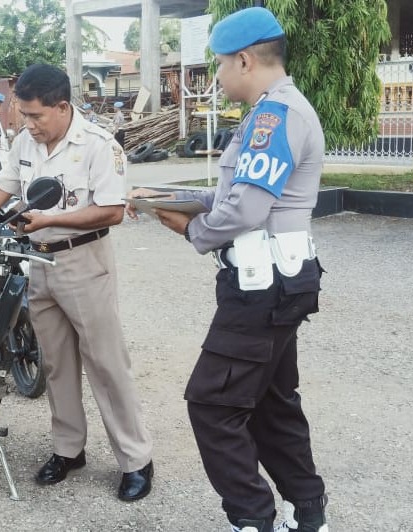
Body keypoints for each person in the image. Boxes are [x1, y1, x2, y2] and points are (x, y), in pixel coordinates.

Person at [127, 7, 329, 532]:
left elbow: (244, 211)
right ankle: (307, 513)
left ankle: (253, 519)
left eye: (218, 66)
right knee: (271, 403)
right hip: (281, 280)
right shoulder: (280, 109)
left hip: (261, 287)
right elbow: (232, 193)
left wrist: (191, 230)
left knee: (213, 405)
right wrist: (163, 196)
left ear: (244, 60)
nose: (215, 78)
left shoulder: (272, 116)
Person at [0, 64, 154, 502]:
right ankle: (68, 449)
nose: (28, 123)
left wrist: (52, 218)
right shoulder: (26, 142)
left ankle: (135, 460)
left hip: (84, 261)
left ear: (62, 107)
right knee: (56, 362)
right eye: (23, 114)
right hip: (39, 261)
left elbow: (112, 210)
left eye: (35, 115)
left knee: (106, 364)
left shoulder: (99, 145)